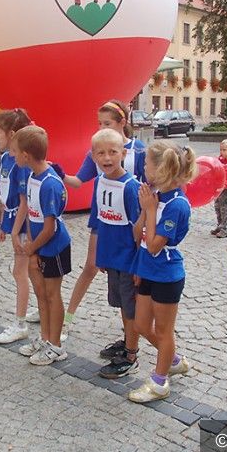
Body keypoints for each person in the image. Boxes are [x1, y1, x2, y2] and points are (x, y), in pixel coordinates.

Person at [61, 100, 146, 349]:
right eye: (99, 123)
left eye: (106, 123)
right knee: (92, 266)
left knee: (131, 286)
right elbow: (79, 181)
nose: (101, 128)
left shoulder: (138, 150)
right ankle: (68, 318)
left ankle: (137, 340)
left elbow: (149, 185)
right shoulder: (97, 150)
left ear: (122, 123)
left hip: (129, 223)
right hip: (104, 220)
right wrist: (55, 172)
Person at [128, 141, 196, 403]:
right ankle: (174, 360)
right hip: (148, 270)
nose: (143, 167)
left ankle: (159, 382)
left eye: (146, 163)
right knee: (141, 325)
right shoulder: (155, 195)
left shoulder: (177, 205)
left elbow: (155, 246)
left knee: (164, 330)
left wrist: (150, 210)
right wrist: (146, 210)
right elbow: (138, 234)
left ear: (161, 169)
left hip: (167, 275)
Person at [86, 129, 143, 379]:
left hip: (128, 261)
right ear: (93, 156)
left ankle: (131, 354)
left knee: (131, 308)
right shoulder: (99, 182)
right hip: (112, 258)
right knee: (121, 303)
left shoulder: (131, 188)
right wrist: (102, 256)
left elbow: (139, 231)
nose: (107, 158)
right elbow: (100, 220)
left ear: (124, 153)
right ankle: (127, 340)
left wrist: (138, 267)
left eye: (112, 152)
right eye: (101, 153)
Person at [13, 126, 72, 366]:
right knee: (41, 293)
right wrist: (32, 247)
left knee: (51, 294)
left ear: (26, 155)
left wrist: (31, 248)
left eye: (15, 151)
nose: (13, 155)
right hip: (38, 247)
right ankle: (46, 338)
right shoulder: (32, 176)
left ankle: (56, 345)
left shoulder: (50, 183)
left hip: (54, 247)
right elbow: (31, 215)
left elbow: (50, 227)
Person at [0, 109, 34, 344]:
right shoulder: (5, 158)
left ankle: (20, 324)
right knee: (30, 271)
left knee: (20, 272)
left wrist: (16, 231)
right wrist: (4, 225)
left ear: (11, 134)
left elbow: (24, 201)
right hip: (14, 220)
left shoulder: (21, 162)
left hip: (25, 225)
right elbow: (4, 194)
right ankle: (39, 309)